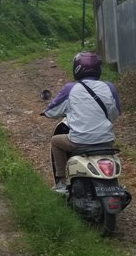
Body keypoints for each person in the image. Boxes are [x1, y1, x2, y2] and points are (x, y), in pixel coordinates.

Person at [40, 51, 121, 193]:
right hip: (106, 141)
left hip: (80, 141)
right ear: (98, 69)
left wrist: (45, 113)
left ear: (77, 69)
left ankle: (61, 182)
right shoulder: (109, 87)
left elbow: (52, 111)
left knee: (55, 141)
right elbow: (115, 113)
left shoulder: (70, 89)